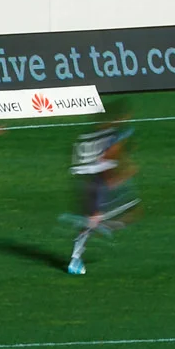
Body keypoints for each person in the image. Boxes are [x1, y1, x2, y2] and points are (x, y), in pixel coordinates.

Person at [65, 106, 139, 275]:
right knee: (128, 211)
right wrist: (116, 176)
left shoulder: (86, 136)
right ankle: (76, 257)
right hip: (97, 180)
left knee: (96, 216)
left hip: (83, 181)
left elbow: (78, 160)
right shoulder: (112, 135)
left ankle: (82, 244)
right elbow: (107, 156)